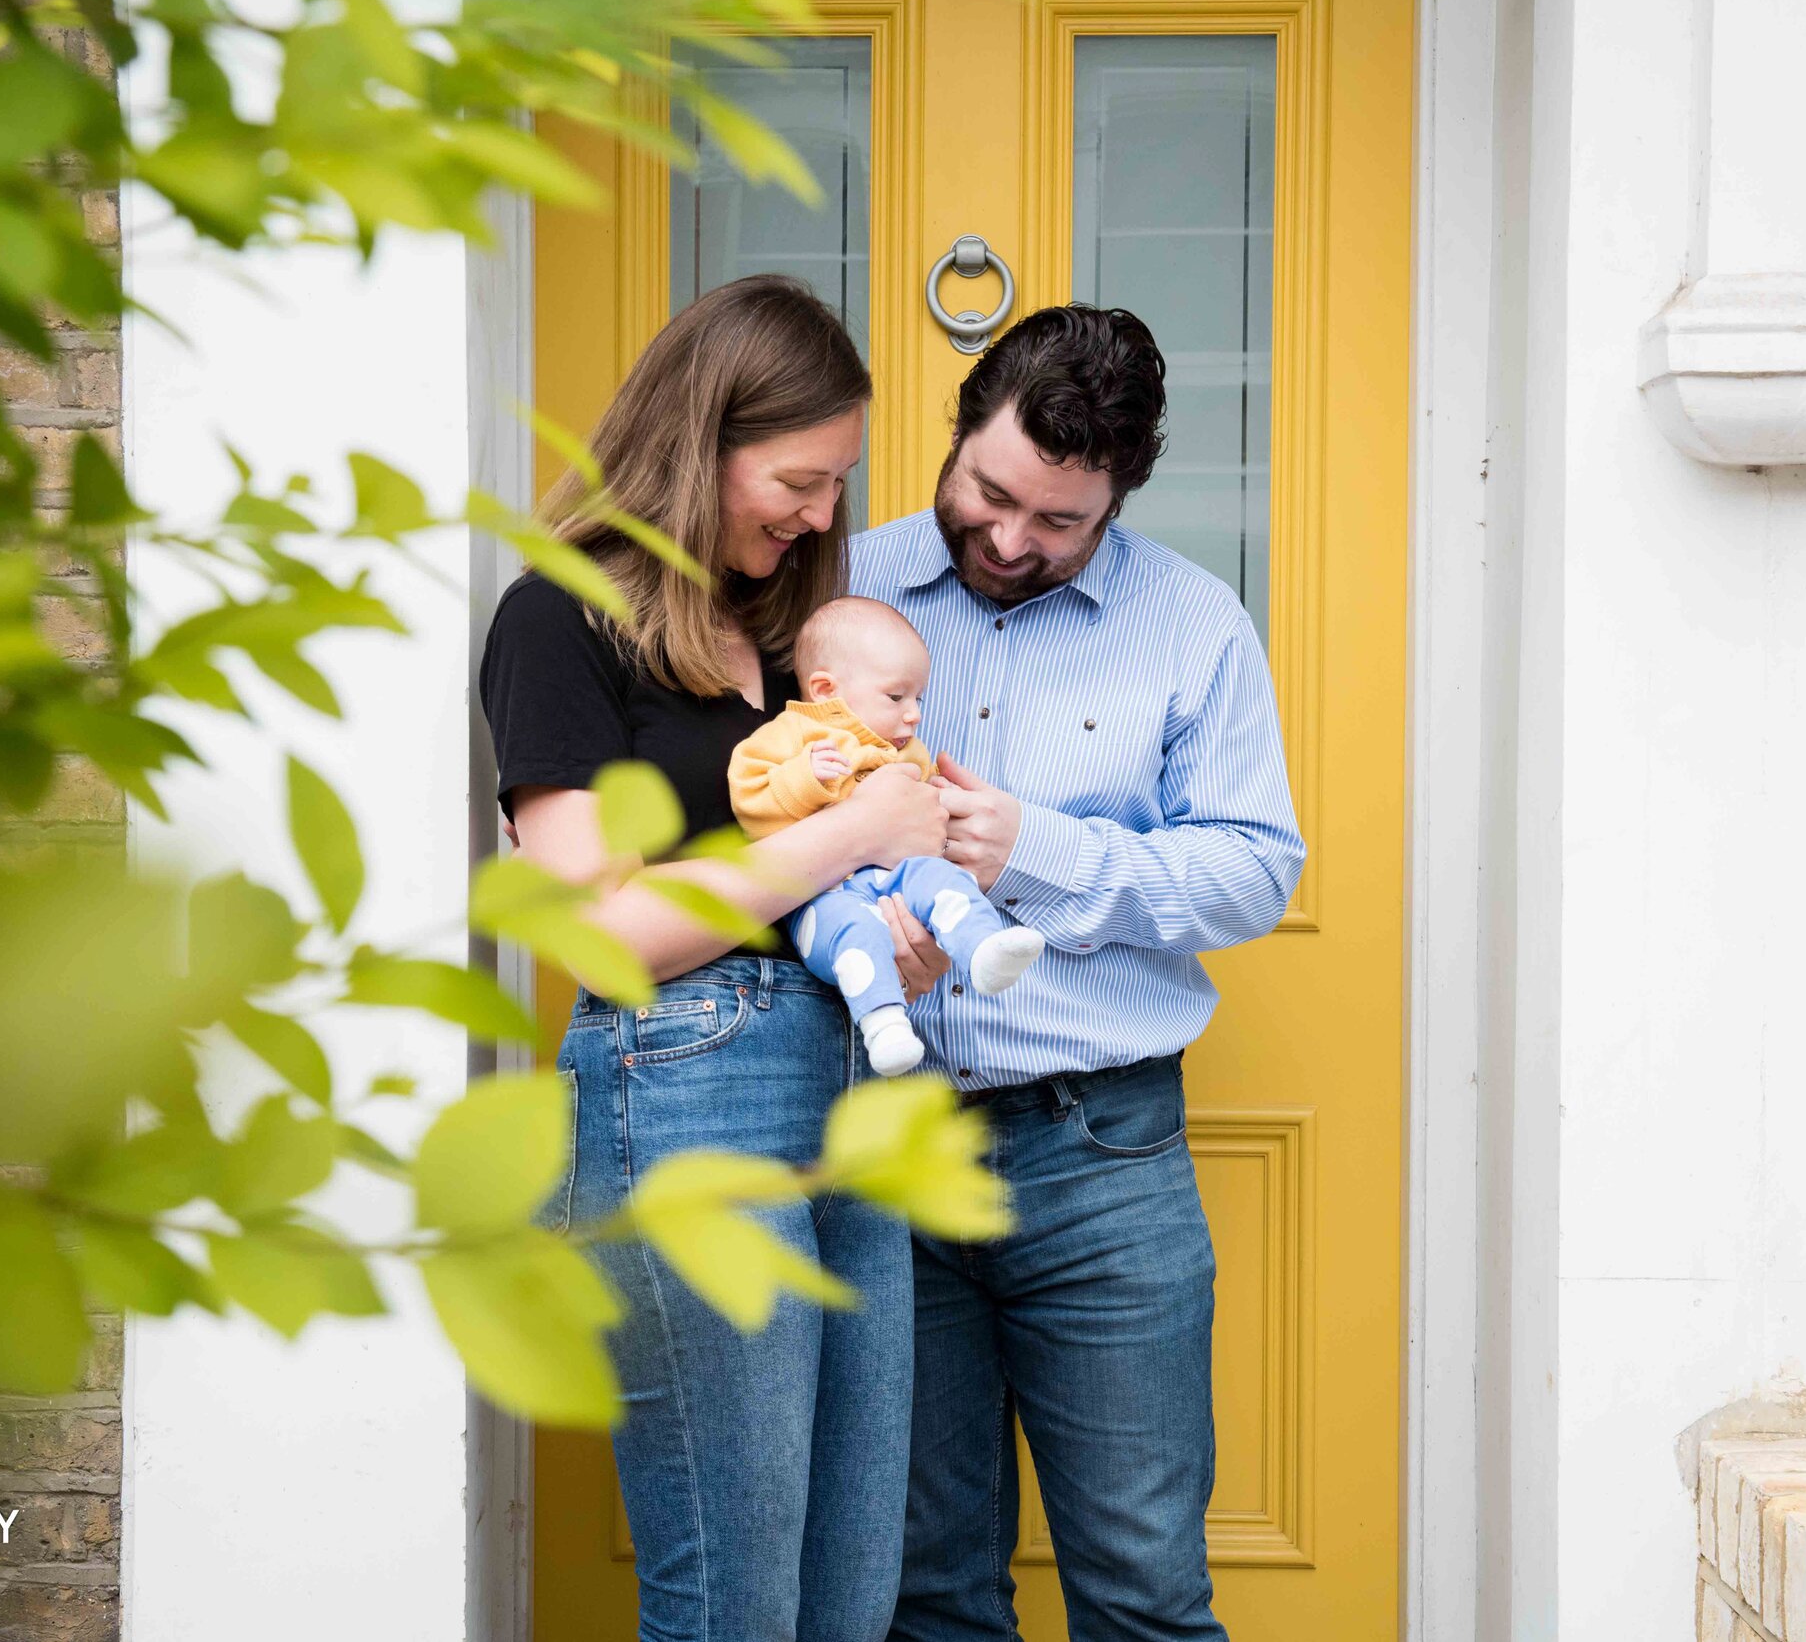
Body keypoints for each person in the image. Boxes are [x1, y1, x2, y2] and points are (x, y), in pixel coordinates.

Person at [477, 274, 953, 1642]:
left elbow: (749, 888)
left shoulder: (788, 648)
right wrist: (844, 836)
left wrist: (905, 926)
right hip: (683, 1092)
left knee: (851, 1602)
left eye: (834, 487)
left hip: (850, 1092)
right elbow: (593, 923)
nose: (818, 516)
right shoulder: (557, 619)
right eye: (796, 479)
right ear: (703, 439)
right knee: (737, 1600)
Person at [854, 305, 1307, 1642]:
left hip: (1099, 1156)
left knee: (1144, 1591)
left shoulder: (1192, 624)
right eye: (990, 494)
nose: (1008, 540)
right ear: (958, 434)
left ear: (1120, 497)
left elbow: (1253, 870)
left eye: (1060, 522)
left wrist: (1041, 852)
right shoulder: (841, 588)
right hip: (881, 1151)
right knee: (927, 1593)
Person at [727, 596, 1047, 1075]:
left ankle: (983, 948)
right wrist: (805, 778)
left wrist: (935, 799)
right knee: (853, 936)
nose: (914, 714)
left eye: (919, 698)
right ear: (825, 690)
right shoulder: (791, 736)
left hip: (896, 880)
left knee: (940, 882)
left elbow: (924, 817)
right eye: (897, 698)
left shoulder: (907, 752)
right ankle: (884, 1027)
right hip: (825, 895)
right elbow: (750, 798)